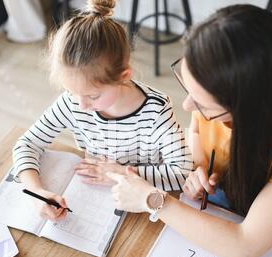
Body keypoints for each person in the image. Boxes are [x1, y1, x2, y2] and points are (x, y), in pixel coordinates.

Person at [107, 4, 272, 257]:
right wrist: (197, 170)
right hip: (228, 186)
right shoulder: (216, 74)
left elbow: (245, 247)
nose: (187, 106)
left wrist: (152, 199)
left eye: (204, 106)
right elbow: (197, 129)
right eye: (189, 89)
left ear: (247, 111)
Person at [12, 0, 193, 222]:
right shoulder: (72, 102)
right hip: (97, 202)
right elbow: (26, 144)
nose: (81, 105)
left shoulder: (156, 112)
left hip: (146, 206)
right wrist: (37, 192)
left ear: (123, 76)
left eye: (93, 96)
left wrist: (117, 173)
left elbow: (184, 173)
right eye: (71, 91)